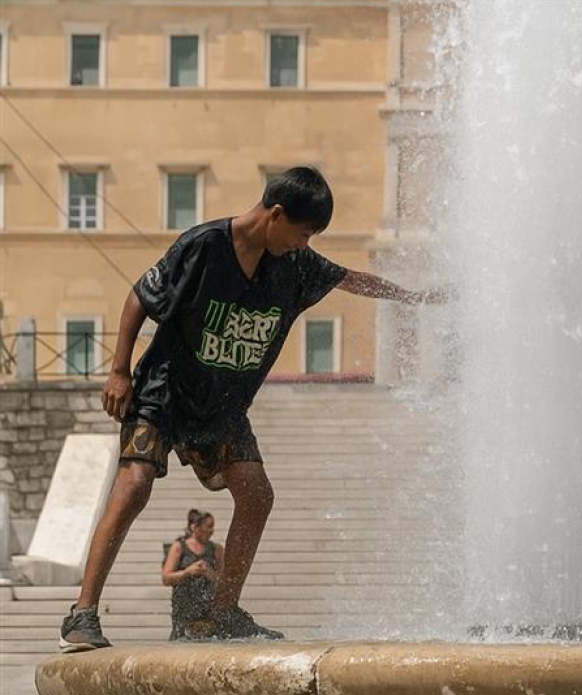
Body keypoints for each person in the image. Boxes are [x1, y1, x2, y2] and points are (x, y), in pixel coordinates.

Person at [60, 166, 446, 652]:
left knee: (257, 494)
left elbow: (353, 279)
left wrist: (412, 298)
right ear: (276, 214)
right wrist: (118, 370)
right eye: (303, 233)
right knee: (134, 485)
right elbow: (140, 297)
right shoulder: (203, 246)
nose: (304, 245)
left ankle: (221, 613)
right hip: (164, 391)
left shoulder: (296, 264)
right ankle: (82, 614)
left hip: (222, 406)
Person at [163, 509, 222, 640]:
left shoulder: (217, 550)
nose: (212, 530)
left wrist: (210, 574)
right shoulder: (179, 547)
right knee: (180, 644)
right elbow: (166, 578)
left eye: (213, 526)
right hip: (183, 609)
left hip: (207, 610)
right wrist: (187, 572)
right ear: (194, 527)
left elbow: (224, 583)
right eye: (208, 526)